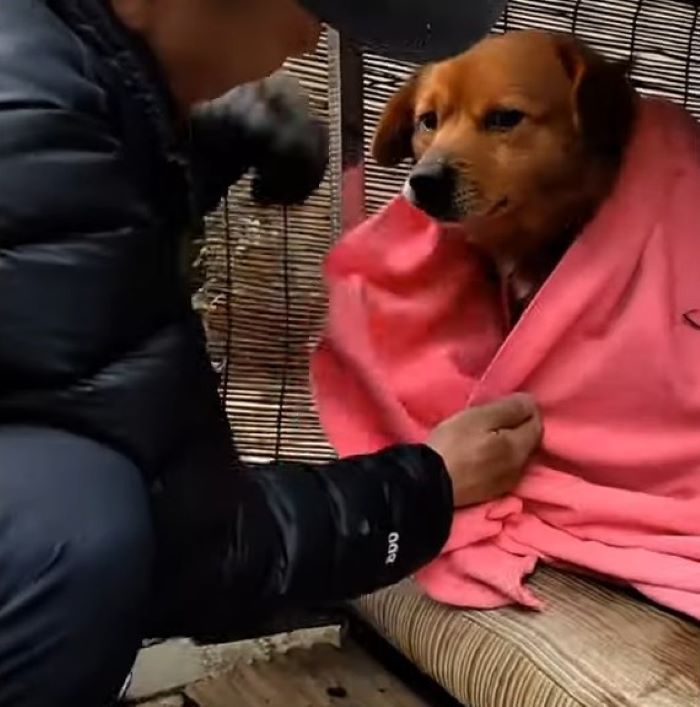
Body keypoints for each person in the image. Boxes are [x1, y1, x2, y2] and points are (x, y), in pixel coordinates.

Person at [0, 0, 542, 705]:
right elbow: (202, 554)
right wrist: (429, 485)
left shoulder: (42, 65)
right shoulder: (33, 132)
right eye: (304, 2)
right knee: (78, 530)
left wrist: (185, 159)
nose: (316, 32)